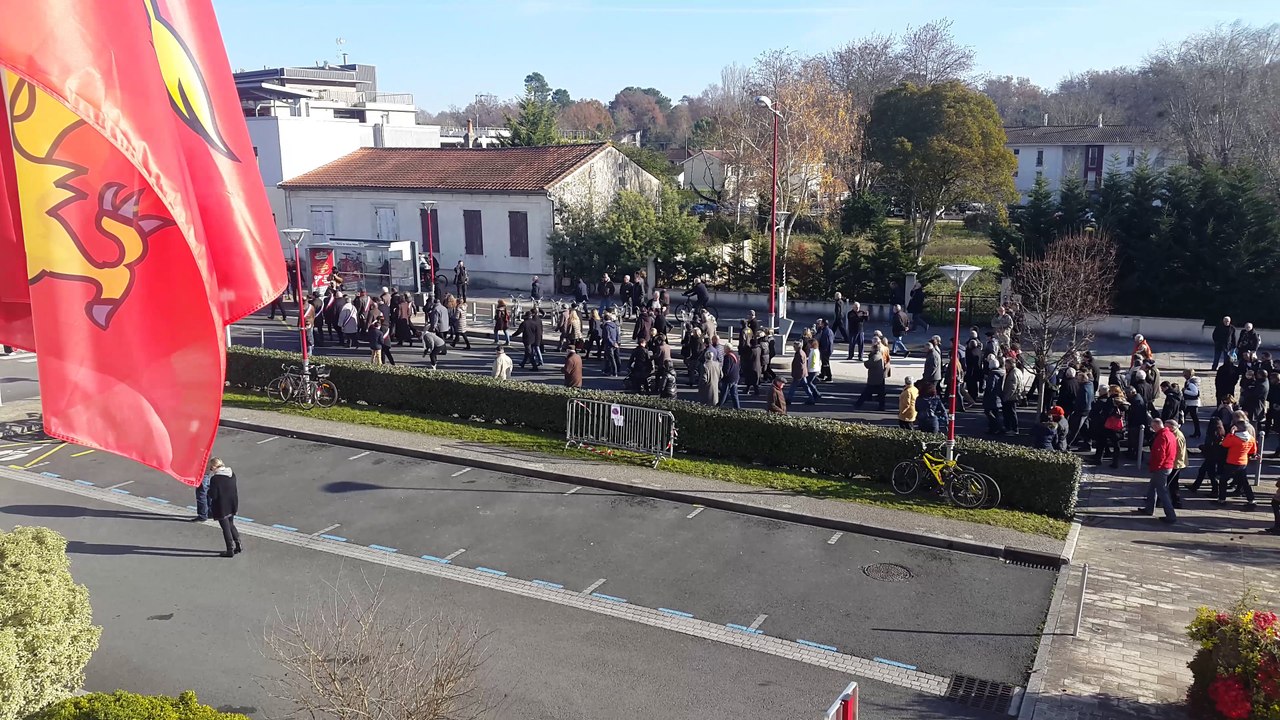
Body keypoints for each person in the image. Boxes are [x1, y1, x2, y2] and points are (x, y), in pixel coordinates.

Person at [1133, 418, 1177, 523]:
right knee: (1152, 488)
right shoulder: (1170, 434)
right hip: (1168, 465)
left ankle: (1171, 515)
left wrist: (1155, 467)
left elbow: (1160, 454)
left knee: (1162, 492)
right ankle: (1149, 508)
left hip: (1161, 467)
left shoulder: (1162, 436)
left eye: (1153, 427)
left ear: (1157, 426)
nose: (1152, 429)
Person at [205, 457, 243, 557]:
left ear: (214, 467)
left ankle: (230, 550)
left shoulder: (215, 479)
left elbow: (213, 495)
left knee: (225, 528)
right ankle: (238, 545)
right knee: (231, 524)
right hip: (232, 504)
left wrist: (208, 490)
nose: (210, 470)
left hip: (221, 506)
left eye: (211, 468)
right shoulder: (231, 474)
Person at [1217, 420, 1258, 507]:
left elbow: (1224, 444)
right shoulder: (1251, 439)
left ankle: (1222, 499)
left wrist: (1231, 433)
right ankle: (1251, 500)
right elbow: (1252, 451)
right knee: (1244, 482)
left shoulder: (1234, 438)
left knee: (1223, 480)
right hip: (1243, 463)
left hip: (1232, 462)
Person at [1190, 417, 1227, 495]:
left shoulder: (1212, 433)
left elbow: (1209, 446)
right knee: (1203, 471)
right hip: (1218, 455)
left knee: (1210, 473)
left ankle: (1215, 490)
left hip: (1211, 455)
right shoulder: (1222, 432)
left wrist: (1201, 447)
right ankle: (1195, 486)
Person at [855, 338, 889, 411]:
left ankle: (858, 404)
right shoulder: (879, 354)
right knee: (881, 394)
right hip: (879, 377)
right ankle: (881, 406)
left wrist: (866, 361)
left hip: (874, 378)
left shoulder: (875, 357)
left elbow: (867, 364)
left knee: (867, 391)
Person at [1166, 419, 1188, 508]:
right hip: (1176, 463)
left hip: (1176, 464)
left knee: (1170, 483)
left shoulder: (1177, 437)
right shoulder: (1175, 434)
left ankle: (1176, 502)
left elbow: (1178, 452)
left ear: (1171, 427)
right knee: (1171, 483)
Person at [719, 346, 742, 410]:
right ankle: (737, 408)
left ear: (727, 349)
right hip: (735, 377)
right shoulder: (736, 355)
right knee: (734, 395)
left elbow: (726, 369)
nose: (724, 350)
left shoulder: (727, 357)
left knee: (723, 394)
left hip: (728, 379)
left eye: (724, 349)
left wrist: (722, 377)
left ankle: (718, 407)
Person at [1183, 369, 1202, 438]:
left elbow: (1195, 393)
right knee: (1194, 418)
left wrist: (1185, 391)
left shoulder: (1191, 383)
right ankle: (1197, 432)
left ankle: (1197, 432)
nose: (1184, 376)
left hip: (1192, 403)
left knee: (1184, 415)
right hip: (1192, 403)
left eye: (1185, 375)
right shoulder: (1193, 381)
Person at [603, 312, 622, 377]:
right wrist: (616, 342)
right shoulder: (614, 325)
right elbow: (617, 334)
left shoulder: (606, 326)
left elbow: (607, 337)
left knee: (611, 358)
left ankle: (614, 372)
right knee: (612, 358)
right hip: (615, 342)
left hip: (609, 344)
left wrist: (613, 343)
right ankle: (608, 370)